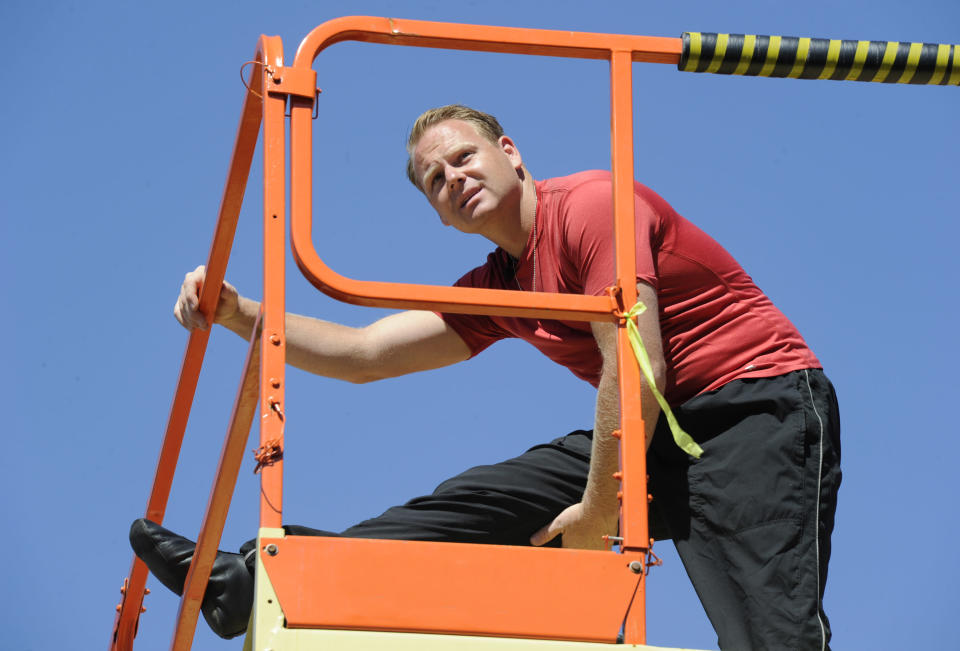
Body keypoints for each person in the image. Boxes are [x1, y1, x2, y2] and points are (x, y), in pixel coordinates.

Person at [130, 105, 841, 649]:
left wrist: (599, 511)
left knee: (769, 633)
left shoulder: (591, 207)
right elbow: (367, 353)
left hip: (752, 410)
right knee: (479, 501)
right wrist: (237, 311)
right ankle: (257, 578)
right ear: (439, 214)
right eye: (436, 180)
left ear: (510, 152)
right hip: (654, 425)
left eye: (464, 157)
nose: (454, 179)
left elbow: (639, 360)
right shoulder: (500, 285)